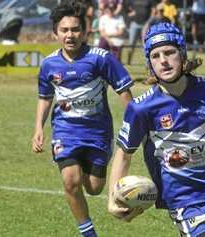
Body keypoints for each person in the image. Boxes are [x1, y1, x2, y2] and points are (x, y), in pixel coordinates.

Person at [107, 22, 205, 237]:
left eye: (170, 52)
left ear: (182, 54)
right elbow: (123, 154)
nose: (163, 60)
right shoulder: (141, 107)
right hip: (184, 200)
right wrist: (112, 198)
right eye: (156, 55)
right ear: (150, 63)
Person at [31, 2, 133, 237]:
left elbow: (125, 93)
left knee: (95, 188)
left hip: (98, 132)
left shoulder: (101, 59)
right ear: (55, 33)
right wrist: (38, 128)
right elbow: (45, 98)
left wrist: (134, 125)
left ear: (85, 31)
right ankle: (88, 233)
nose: (70, 35)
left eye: (75, 29)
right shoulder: (48, 64)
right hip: (65, 131)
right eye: (64, 30)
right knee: (70, 180)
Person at [124, 0, 157, 65]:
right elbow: (126, 7)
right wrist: (130, 13)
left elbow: (154, 12)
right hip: (134, 24)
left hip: (145, 24)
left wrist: (148, 22)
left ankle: (147, 63)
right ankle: (128, 62)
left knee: (145, 44)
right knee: (131, 44)